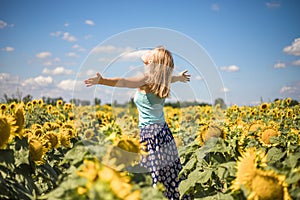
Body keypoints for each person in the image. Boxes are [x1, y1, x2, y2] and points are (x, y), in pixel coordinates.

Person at [84, 46, 191, 200]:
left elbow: (125, 82)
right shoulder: (162, 80)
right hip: (164, 133)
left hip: (150, 133)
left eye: (152, 51)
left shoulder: (147, 79)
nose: (148, 51)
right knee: (168, 174)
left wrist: (102, 81)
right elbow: (171, 78)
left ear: (153, 61)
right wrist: (179, 78)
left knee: (151, 176)